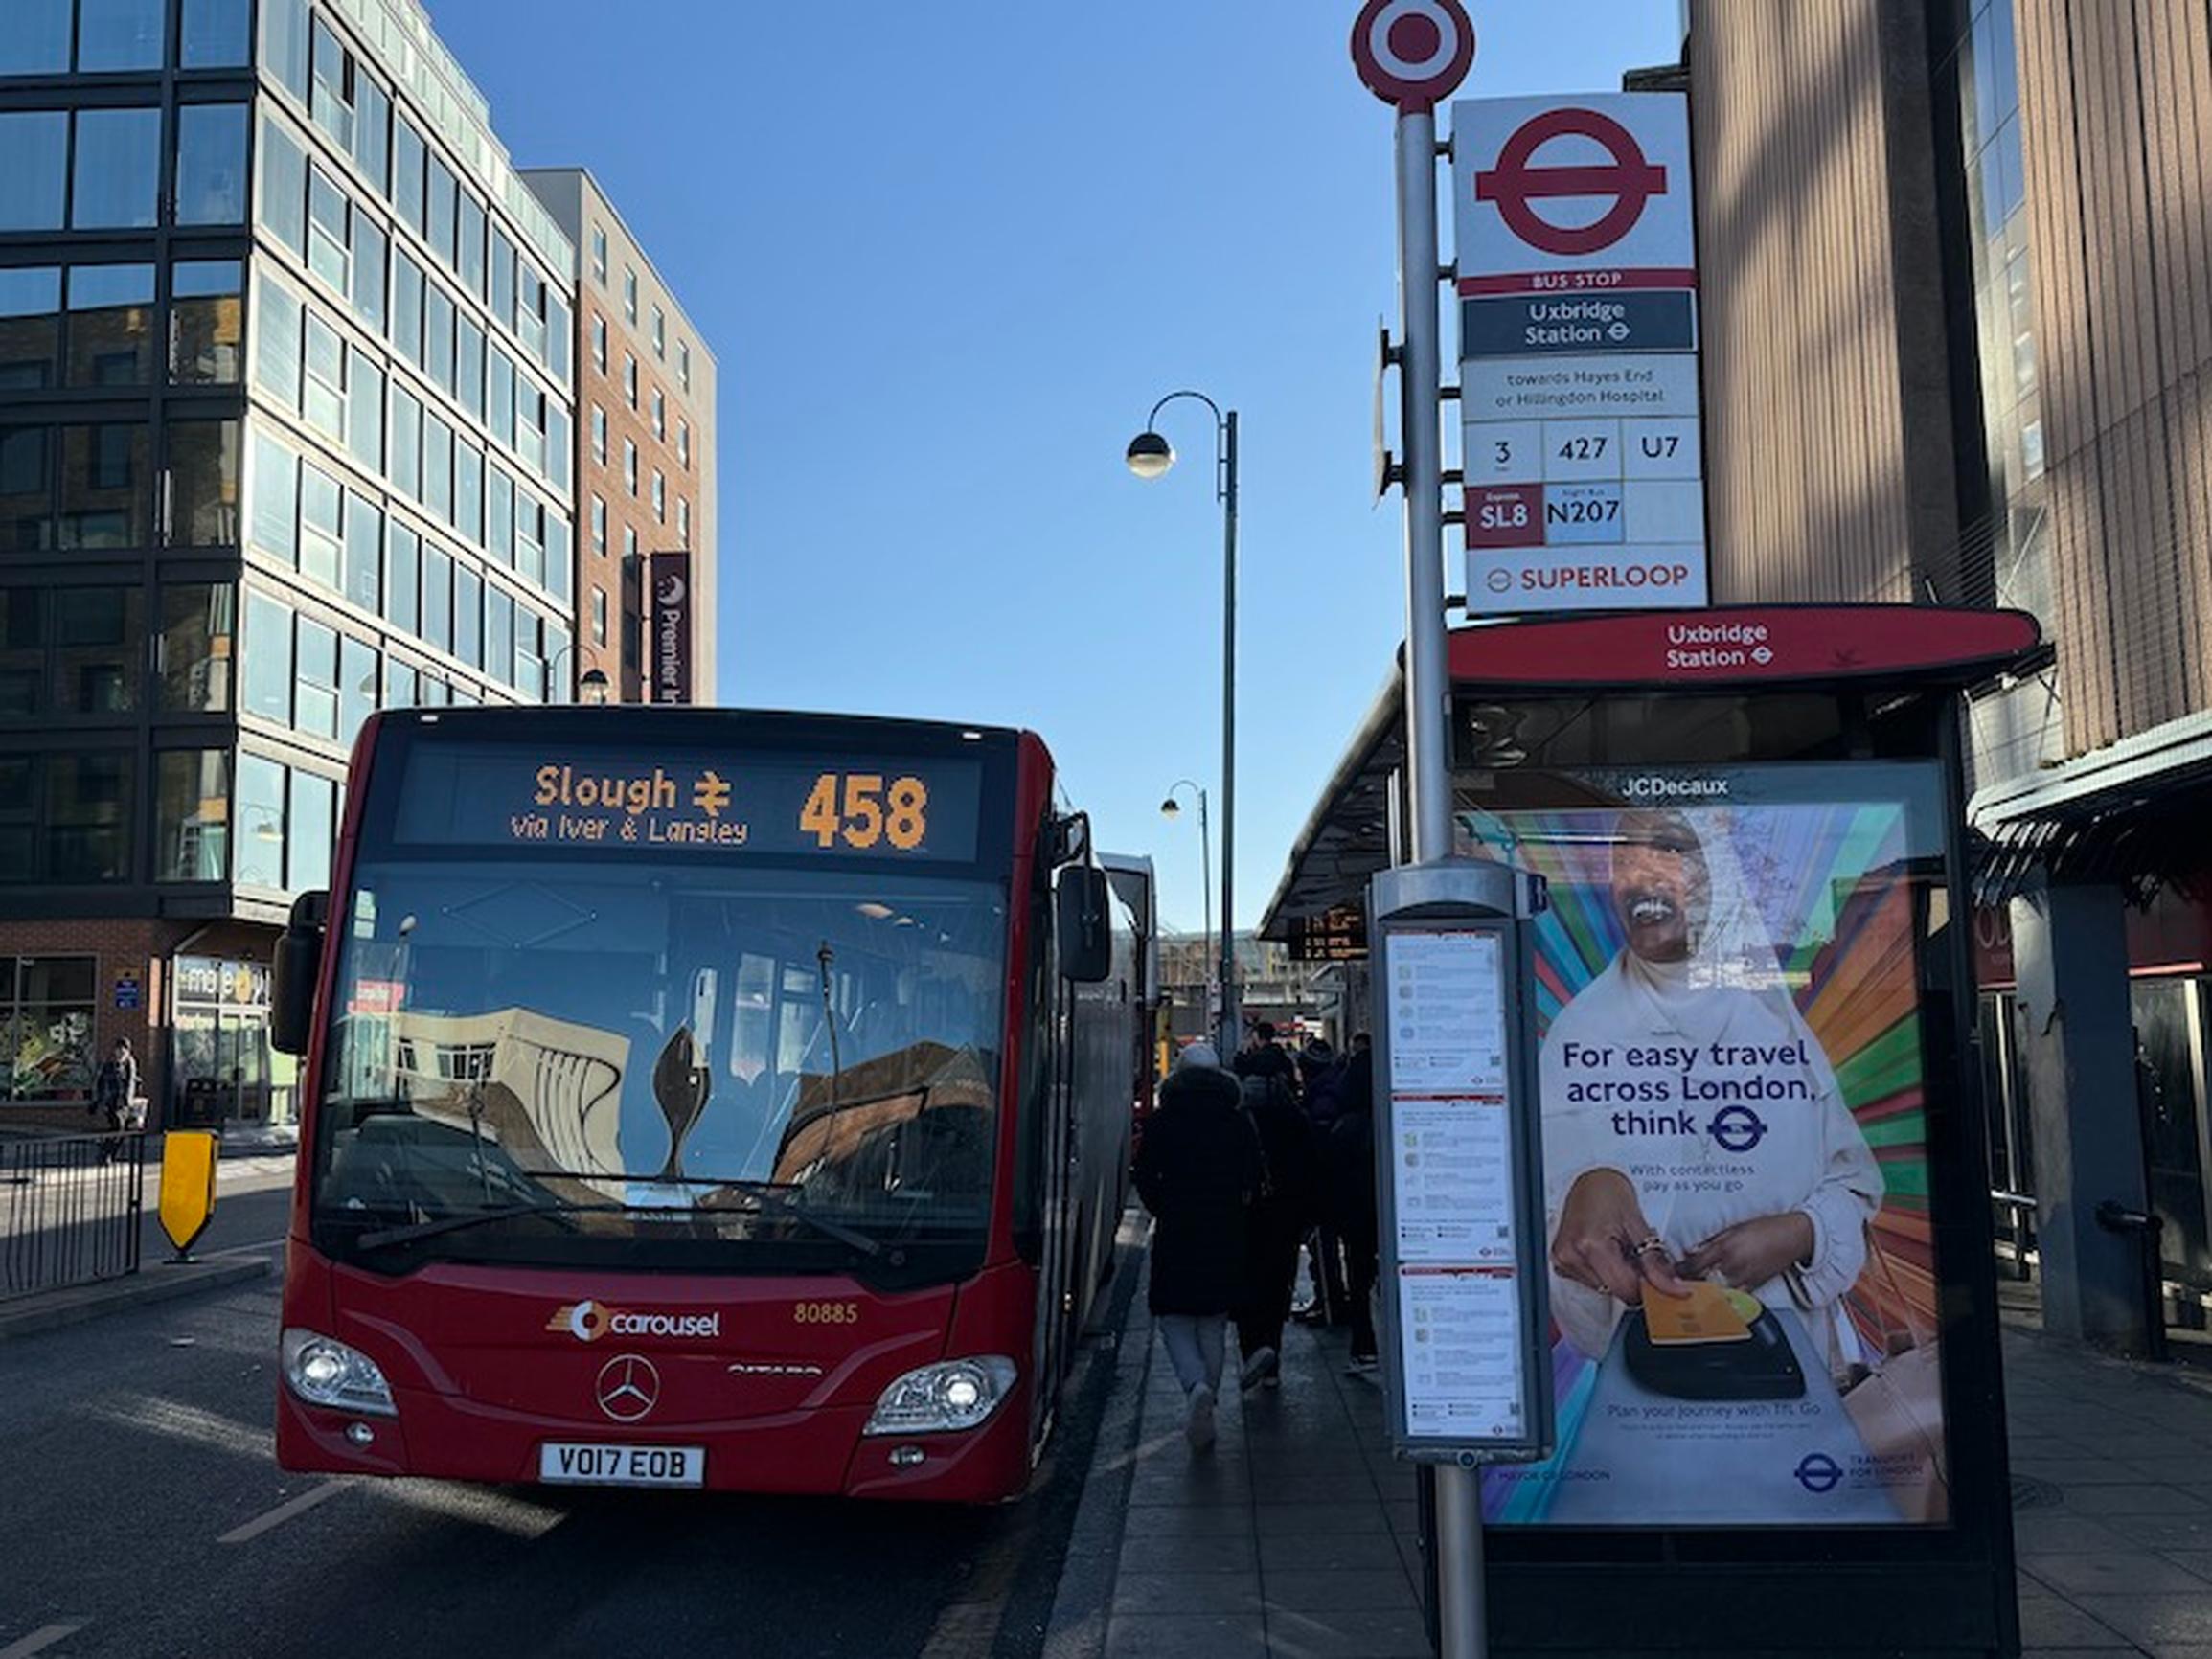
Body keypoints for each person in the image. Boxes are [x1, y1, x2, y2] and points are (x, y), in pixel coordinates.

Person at [1540, 807, 1884, 1370]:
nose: (1642, 873)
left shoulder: (1770, 1023)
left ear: (1716, 878)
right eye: (1623, 857)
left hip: (1790, 1369)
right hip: (1651, 1384)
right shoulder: (1582, 1035)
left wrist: (1800, 1234)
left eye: (1670, 851)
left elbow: (1854, 1186)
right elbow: (1547, 1225)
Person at [1132, 1043, 1263, 1449]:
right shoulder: (1236, 1121)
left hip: (1178, 1226)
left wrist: (1163, 1207)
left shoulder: (1162, 1121)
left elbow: (1144, 1175)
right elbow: (1252, 1175)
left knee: (1174, 1318)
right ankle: (1208, 1393)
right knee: (1213, 1320)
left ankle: (1194, 1386)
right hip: (1225, 1228)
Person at [1234, 1065, 1319, 1388]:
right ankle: (1272, 1352)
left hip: (1247, 1215)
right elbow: (1312, 1169)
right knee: (1278, 1284)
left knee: (1247, 1284)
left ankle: (1251, 1352)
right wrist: (1310, 1216)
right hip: (1286, 1217)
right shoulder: (1295, 1120)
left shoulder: (1238, 1120)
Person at [1324, 1041, 1380, 1369]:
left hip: (1355, 1218)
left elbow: (1332, 1177)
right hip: (1392, 1220)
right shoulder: (1397, 1123)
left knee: (1359, 1282)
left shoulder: (1344, 1127)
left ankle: (1364, 1345)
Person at [91, 1038, 139, 1160]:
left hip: (125, 1103)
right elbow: (100, 1084)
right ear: (115, 1051)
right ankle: (106, 1153)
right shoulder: (108, 1065)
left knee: (121, 1131)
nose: (121, 1053)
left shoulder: (130, 1065)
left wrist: (130, 1100)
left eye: (124, 1051)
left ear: (128, 1052)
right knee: (117, 1127)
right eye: (119, 1050)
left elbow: (131, 1083)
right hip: (112, 1102)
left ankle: (109, 1153)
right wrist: (97, 1101)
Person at [1232, 1020, 1297, 1088]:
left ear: (1258, 1037)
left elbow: (1241, 1071)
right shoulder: (1284, 1058)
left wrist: (1243, 1051)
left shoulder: (1257, 1058)